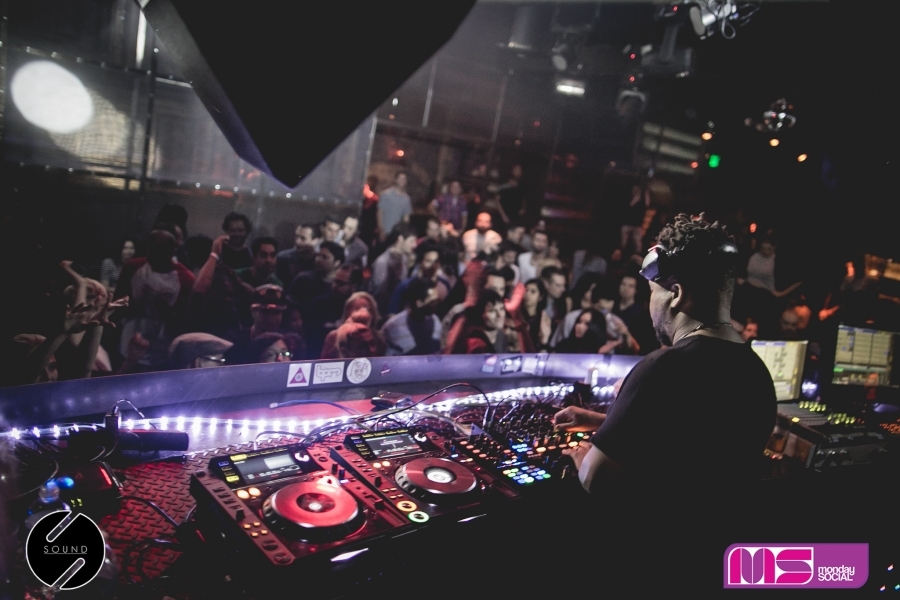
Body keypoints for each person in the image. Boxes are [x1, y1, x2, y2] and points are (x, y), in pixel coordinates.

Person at [551, 214, 777, 587]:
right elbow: (690, 438)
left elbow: (598, 480)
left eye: (652, 292)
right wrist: (601, 422)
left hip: (653, 564)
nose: (650, 303)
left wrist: (583, 457)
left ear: (675, 294)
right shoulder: (758, 373)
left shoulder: (663, 367)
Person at [377, 171, 412, 242]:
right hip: (385, 232)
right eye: (400, 178)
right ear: (396, 179)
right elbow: (380, 213)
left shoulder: (406, 199)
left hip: (397, 234)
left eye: (404, 179)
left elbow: (406, 217)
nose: (402, 181)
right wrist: (381, 230)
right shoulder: (386, 194)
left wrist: (405, 232)